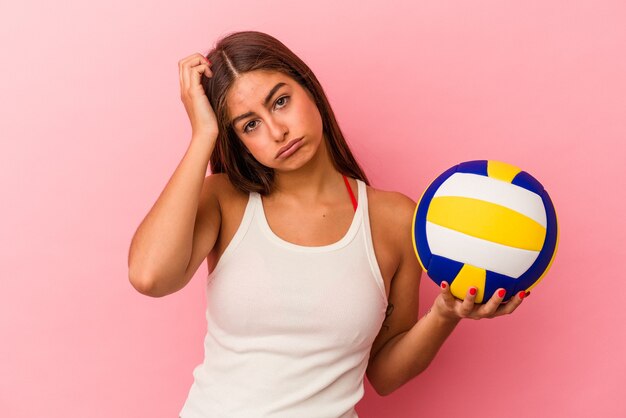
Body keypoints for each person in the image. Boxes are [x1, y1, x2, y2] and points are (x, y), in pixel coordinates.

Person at [127, 30, 527, 418]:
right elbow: (150, 277)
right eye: (250, 125)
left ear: (308, 88)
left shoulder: (393, 218)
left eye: (280, 101)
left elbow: (385, 375)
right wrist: (203, 135)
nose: (277, 131)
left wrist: (445, 313)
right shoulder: (223, 199)